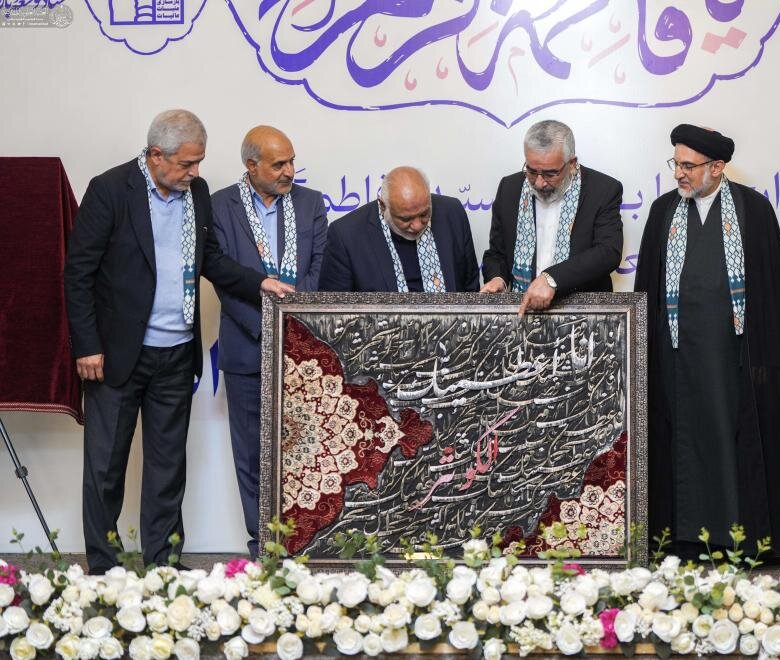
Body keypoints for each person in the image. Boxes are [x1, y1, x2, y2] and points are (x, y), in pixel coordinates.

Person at [64, 109, 294, 573]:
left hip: (176, 354)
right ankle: (104, 568)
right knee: (106, 468)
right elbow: (78, 272)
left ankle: (164, 565)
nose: (195, 172)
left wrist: (259, 282)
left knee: (168, 467)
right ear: (156, 155)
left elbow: (210, 259)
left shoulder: (197, 193)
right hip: (117, 355)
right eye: (187, 163)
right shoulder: (110, 189)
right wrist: (87, 345)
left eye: (199, 162)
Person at [634, 124, 780, 560]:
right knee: (683, 447)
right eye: (676, 164)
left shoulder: (753, 210)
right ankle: (685, 541)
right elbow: (647, 290)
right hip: (676, 362)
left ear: (717, 167)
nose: (679, 173)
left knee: (735, 447)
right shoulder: (662, 212)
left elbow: (775, 293)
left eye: (688, 166)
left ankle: (740, 540)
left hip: (737, 364)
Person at [211, 125, 327, 558]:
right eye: (279, 164)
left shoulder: (311, 203)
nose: (289, 171)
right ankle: (264, 543)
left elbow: (319, 267)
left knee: (306, 451)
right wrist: (267, 326)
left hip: (304, 349)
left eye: (292, 161)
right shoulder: (219, 205)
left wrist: (294, 325)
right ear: (251, 165)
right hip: (247, 347)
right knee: (252, 453)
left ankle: (305, 540)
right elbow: (221, 275)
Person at [481, 119, 623, 315]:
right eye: (531, 171)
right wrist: (498, 279)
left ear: (572, 164)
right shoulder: (509, 188)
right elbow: (497, 253)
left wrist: (552, 279)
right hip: (522, 313)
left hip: (582, 317)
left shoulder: (604, 190)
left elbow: (608, 252)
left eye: (550, 174)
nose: (539, 183)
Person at [318, 166, 479, 292]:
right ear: (383, 206)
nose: (417, 225)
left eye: (424, 214)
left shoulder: (452, 212)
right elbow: (334, 312)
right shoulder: (346, 235)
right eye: (406, 219)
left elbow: (470, 288)